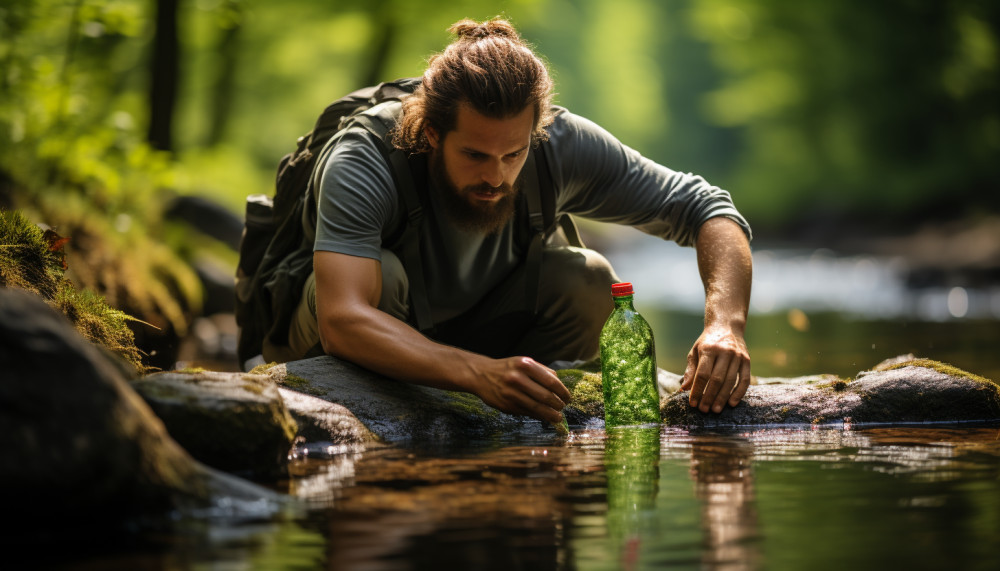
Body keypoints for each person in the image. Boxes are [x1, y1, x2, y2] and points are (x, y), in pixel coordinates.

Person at [271, 17, 753, 424]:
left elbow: (707, 208)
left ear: (536, 131)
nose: (496, 176)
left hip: (476, 346)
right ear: (433, 133)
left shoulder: (559, 144)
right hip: (346, 329)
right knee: (386, 276)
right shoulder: (367, 157)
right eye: (475, 154)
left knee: (588, 280)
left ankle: (527, 412)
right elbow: (343, 320)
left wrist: (724, 326)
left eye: (513, 153)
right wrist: (478, 373)